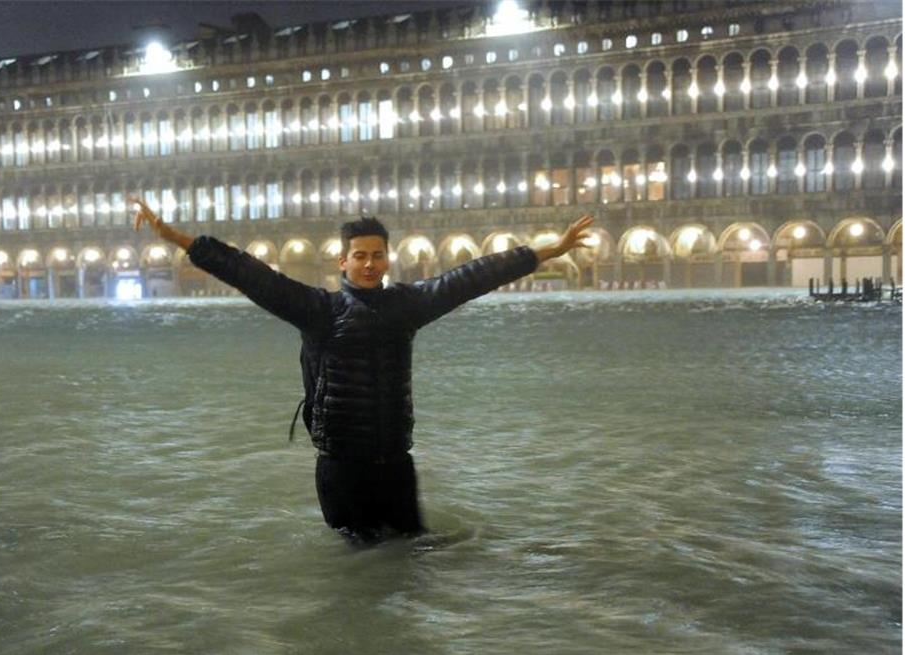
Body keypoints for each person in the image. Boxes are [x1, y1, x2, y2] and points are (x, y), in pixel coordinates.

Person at [130, 195, 594, 545]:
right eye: (360, 255)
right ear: (343, 261)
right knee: (359, 570)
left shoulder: (407, 306)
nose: (370, 264)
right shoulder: (317, 310)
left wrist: (547, 251)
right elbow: (247, 272)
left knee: (411, 560)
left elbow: (472, 276)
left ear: (387, 259)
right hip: (342, 470)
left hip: (395, 464)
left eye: (377, 255)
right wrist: (173, 236)